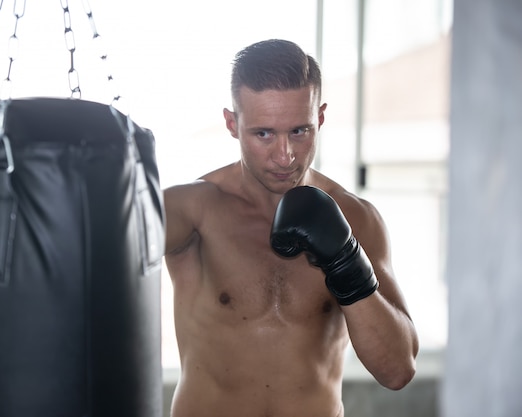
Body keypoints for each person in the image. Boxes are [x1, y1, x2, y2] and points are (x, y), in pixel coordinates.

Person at [163, 39, 419, 417]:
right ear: (232, 124)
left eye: (299, 131)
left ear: (320, 118)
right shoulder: (193, 210)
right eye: (264, 134)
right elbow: (97, 250)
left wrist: (345, 260)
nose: (285, 156)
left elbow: (398, 371)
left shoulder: (356, 217)